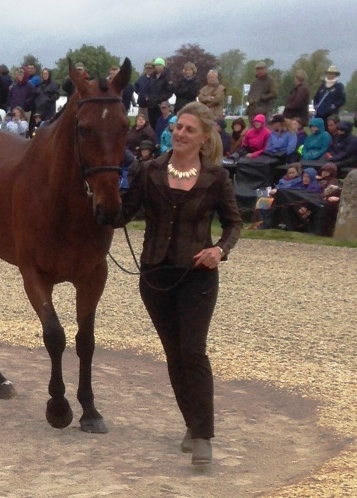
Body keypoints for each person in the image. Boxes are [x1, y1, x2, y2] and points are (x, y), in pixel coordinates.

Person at [116, 101, 242, 466]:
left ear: (204, 137)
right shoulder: (149, 170)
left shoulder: (216, 177)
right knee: (174, 354)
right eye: (177, 126)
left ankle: (202, 436)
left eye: (188, 129)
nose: (180, 133)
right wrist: (97, 197)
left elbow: (234, 224)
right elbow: (123, 213)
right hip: (155, 275)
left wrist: (220, 249)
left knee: (193, 351)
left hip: (197, 276)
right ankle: (191, 424)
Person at [147, 58, 174, 128]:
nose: (157, 66)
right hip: (151, 105)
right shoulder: (152, 76)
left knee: (162, 125)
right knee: (152, 124)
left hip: (161, 105)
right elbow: (148, 89)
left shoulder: (168, 76)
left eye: (159, 65)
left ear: (163, 66)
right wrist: (147, 98)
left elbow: (170, 91)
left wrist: (160, 100)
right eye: (156, 65)